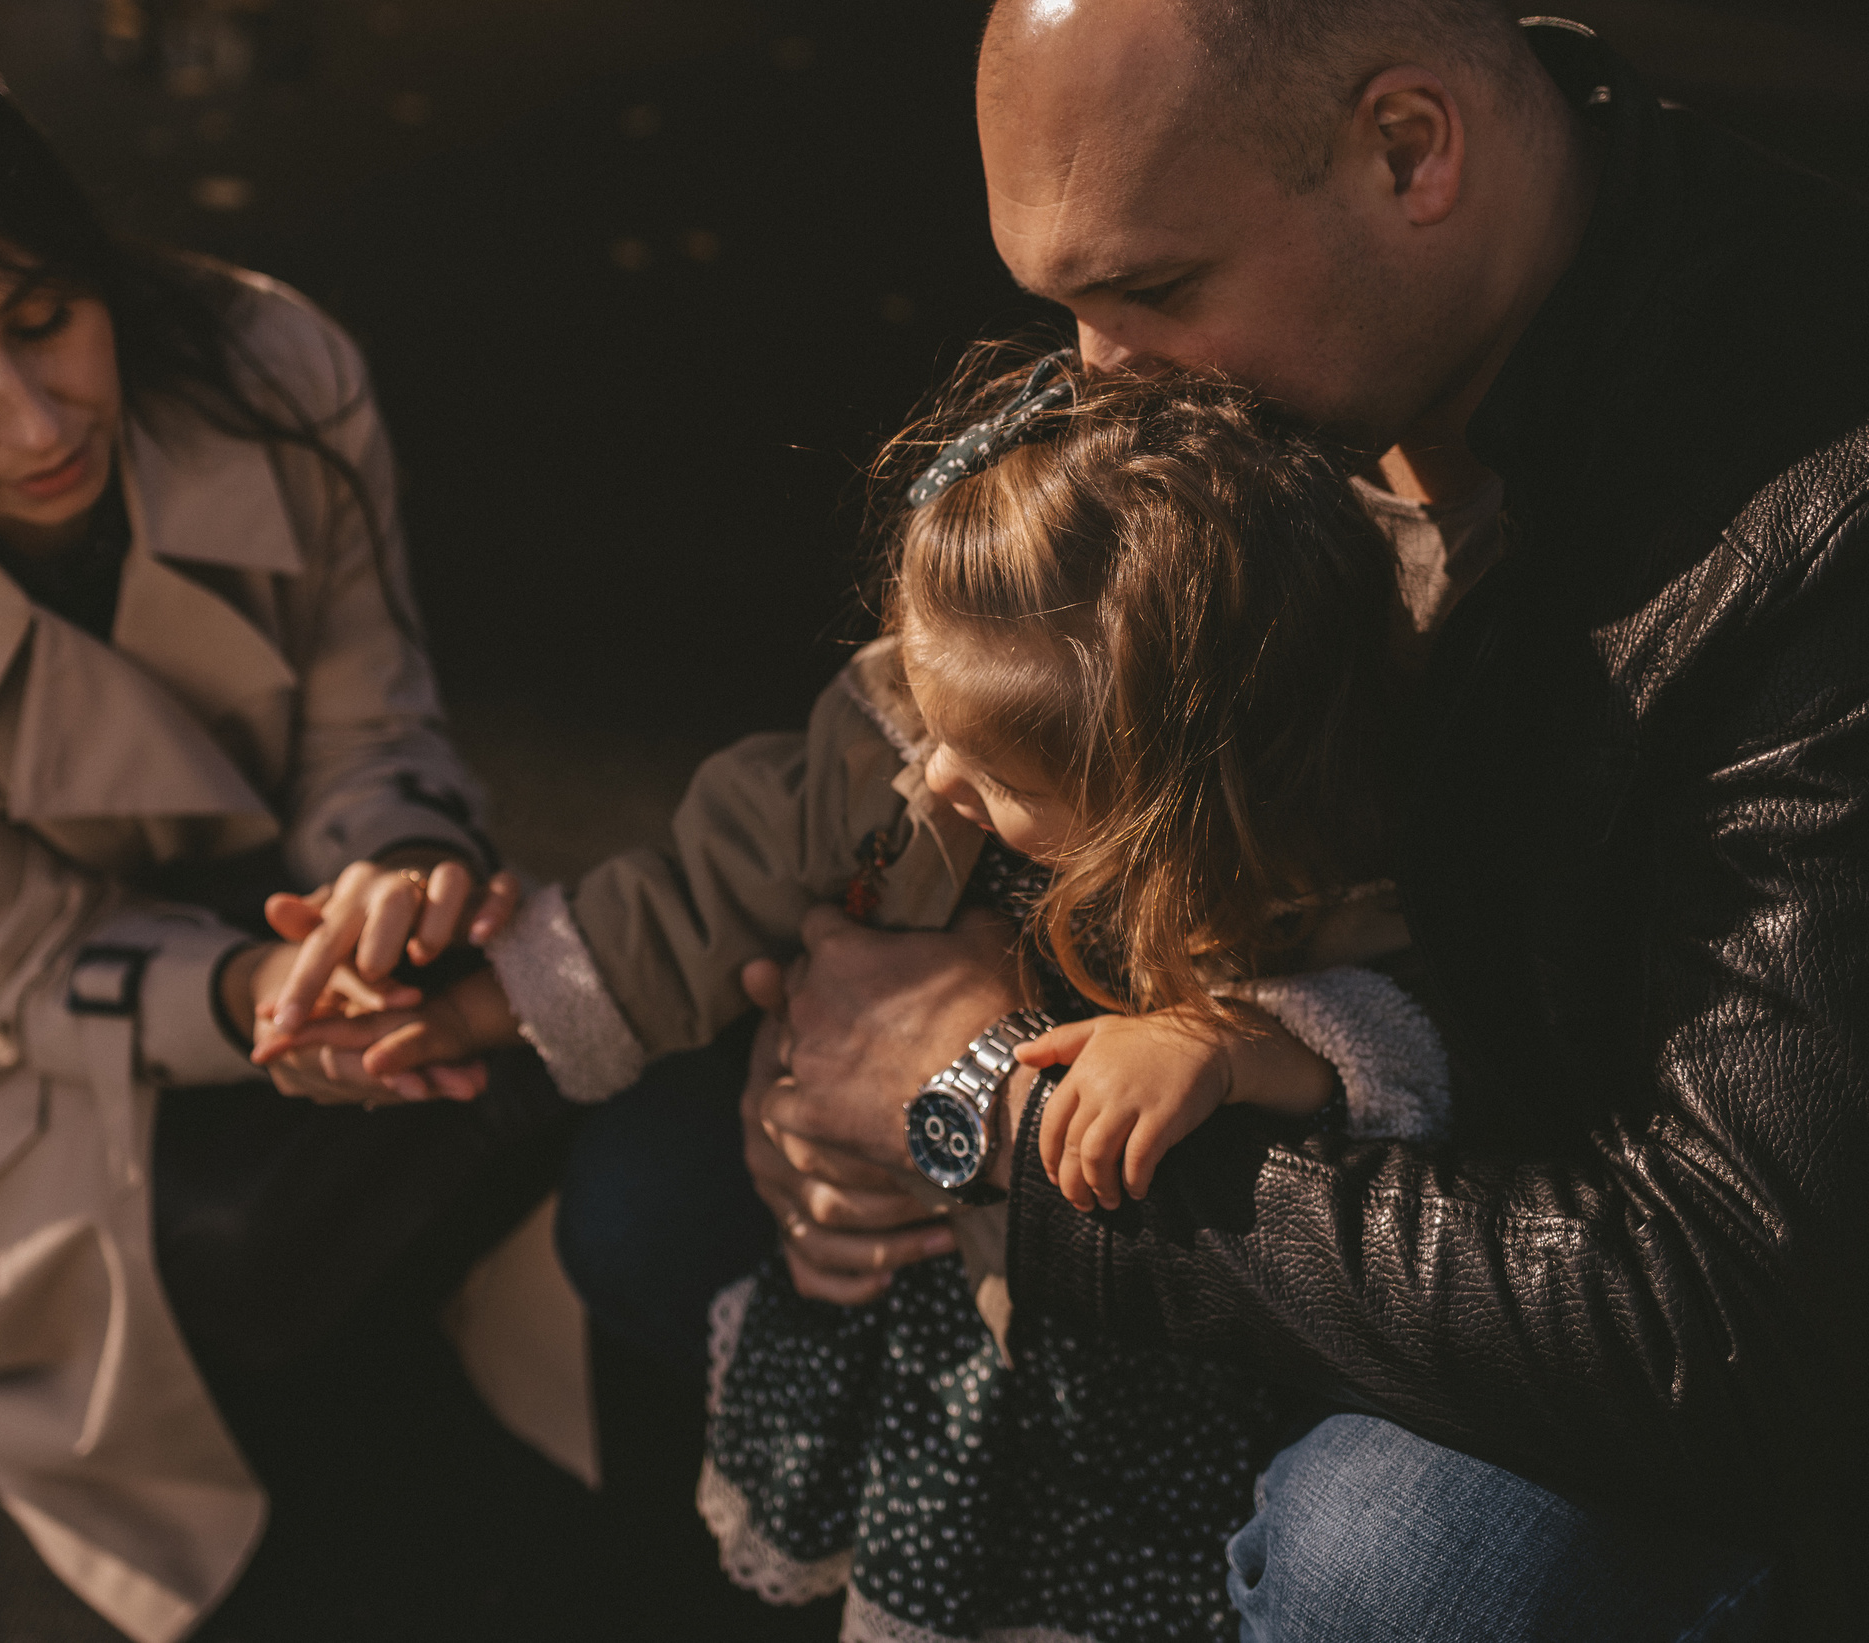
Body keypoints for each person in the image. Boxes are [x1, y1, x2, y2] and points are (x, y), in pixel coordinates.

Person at [702, 0, 1869, 1635]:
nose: (1092, 378)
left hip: (1653, 1294)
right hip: (1333, 1137)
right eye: (1065, 304)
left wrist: (985, 1125)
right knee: (657, 1195)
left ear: (1412, 149)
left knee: (1400, 1568)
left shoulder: (1811, 530)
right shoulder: (1256, 357)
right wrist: (871, 1037)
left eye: (1152, 292)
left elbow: (1720, 1320)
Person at [0, 3, 592, 1643]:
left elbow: (371, 715)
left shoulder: (274, 367)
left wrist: (398, 869)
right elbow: (22, 965)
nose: (34, 417)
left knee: (550, 1039)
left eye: (45, 314)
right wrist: (261, 1001)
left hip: (280, 933)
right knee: (287, 1228)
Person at [267, 355, 1457, 1642]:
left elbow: (1390, 1051)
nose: (935, 777)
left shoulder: (1294, 895)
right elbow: (698, 890)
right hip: (937, 1315)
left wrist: (1215, 1046)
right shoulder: (898, 751)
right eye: (928, 718)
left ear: (1161, 806)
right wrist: (475, 1007)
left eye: (992, 770)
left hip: (1136, 1373)